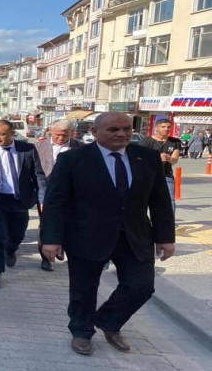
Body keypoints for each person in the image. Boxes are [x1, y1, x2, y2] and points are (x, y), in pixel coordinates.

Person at [41, 112, 175, 356]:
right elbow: (56, 201)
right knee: (83, 290)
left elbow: (160, 201)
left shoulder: (147, 157)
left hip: (135, 235)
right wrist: (51, 238)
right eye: (113, 129)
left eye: (126, 129)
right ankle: (81, 332)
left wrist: (166, 237)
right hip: (87, 235)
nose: (121, 134)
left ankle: (109, 321)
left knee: (141, 286)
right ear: (94, 132)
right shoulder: (73, 159)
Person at [0, 120, 46, 289]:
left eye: (1, 134)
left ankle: (11, 249)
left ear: (12, 134)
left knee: (17, 234)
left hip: (20, 200)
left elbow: (38, 176)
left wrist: (43, 199)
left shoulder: (27, 149)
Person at [35, 119, 84, 271]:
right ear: (50, 131)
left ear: (72, 133)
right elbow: (36, 173)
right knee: (46, 223)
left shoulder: (81, 147)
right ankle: (46, 258)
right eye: (57, 135)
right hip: (46, 192)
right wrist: (41, 198)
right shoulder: (38, 147)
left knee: (68, 223)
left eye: (65, 135)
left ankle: (61, 246)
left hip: (71, 194)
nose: (61, 138)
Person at [138, 118, 180, 213]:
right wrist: (157, 158)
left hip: (166, 175)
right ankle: (142, 220)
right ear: (156, 128)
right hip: (147, 176)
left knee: (170, 200)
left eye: (169, 127)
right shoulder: (146, 141)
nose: (166, 129)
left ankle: (169, 221)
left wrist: (168, 159)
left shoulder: (175, 142)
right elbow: (139, 159)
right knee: (143, 200)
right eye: (163, 127)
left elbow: (174, 160)